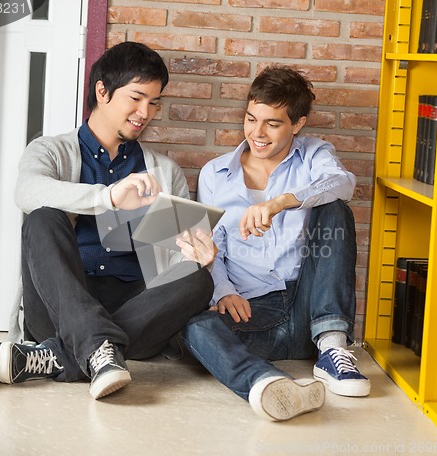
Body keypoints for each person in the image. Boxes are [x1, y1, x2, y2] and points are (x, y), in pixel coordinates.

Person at [0, 41, 217, 400]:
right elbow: (27, 192)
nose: (145, 112)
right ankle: (97, 345)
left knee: (196, 278)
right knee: (42, 218)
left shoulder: (164, 171)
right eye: (136, 97)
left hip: (135, 308)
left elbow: (171, 260)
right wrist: (108, 196)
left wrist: (195, 257)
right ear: (102, 91)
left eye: (154, 102)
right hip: (60, 302)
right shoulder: (51, 150)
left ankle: (63, 355)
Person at [181, 66, 370, 422]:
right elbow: (211, 245)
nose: (257, 133)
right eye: (251, 119)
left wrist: (282, 201)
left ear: (297, 124)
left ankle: (331, 348)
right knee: (193, 326)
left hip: (309, 304)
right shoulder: (215, 174)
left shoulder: (314, 154)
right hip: (254, 312)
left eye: (273, 123)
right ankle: (268, 384)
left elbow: (342, 183)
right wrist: (222, 292)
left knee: (334, 208)